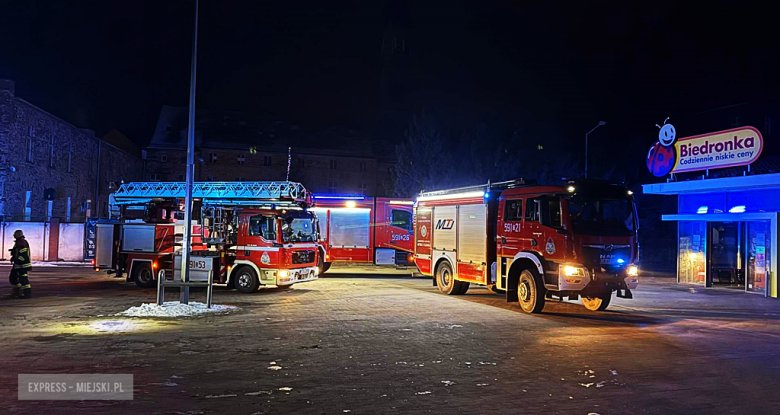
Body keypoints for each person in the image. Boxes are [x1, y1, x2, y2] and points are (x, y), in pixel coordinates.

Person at [9, 229, 33, 299]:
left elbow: (23, 255)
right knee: (13, 277)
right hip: (18, 265)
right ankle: (18, 290)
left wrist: (17, 259)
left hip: (22, 265)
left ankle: (27, 294)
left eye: (14, 234)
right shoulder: (19, 242)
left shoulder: (22, 243)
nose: (13, 235)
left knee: (23, 279)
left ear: (18, 235)